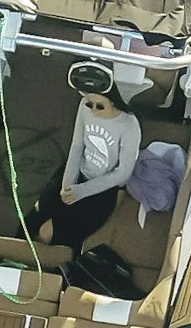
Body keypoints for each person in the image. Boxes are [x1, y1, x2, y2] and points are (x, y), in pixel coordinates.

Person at [32, 82, 142, 257]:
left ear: (114, 101)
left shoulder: (129, 126)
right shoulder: (85, 106)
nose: (93, 110)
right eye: (89, 104)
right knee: (35, 219)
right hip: (78, 174)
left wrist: (81, 192)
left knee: (49, 234)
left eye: (100, 106)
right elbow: (77, 147)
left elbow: (123, 173)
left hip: (103, 188)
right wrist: (67, 185)